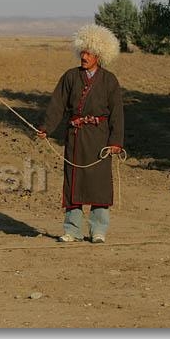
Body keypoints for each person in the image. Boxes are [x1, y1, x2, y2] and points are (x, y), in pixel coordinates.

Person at [37, 24, 124, 243]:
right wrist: (46, 127)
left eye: (89, 53)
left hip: (100, 140)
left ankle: (98, 231)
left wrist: (115, 141)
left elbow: (117, 113)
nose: (84, 57)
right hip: (75, 138)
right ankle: (72, 230)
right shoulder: (70, 77)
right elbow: (57, 105)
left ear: (99, 55)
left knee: (99, 184)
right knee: (73, 183)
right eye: (82, 52)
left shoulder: (110, 80)